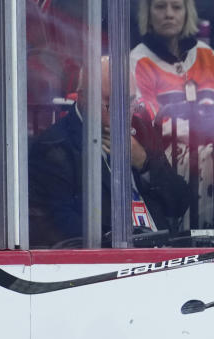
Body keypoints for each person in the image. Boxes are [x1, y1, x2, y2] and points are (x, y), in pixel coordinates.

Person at [28, 56, 191, 248]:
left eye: (130, 102)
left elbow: (179, 202)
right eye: (110, 102)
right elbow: (64, 228)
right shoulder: (54, 147)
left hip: (162, 255)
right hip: (113, 261)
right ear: (84, 97)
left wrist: (144, 162)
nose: (122, 112)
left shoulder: (141, 130)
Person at [130, 0, 214, 231]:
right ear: (148, 14)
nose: (169, 14)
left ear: (187, 13)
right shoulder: (136, 61)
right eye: (160, 7)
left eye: (176, 7)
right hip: (165, 171)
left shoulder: (208, 56)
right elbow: (146, 130)